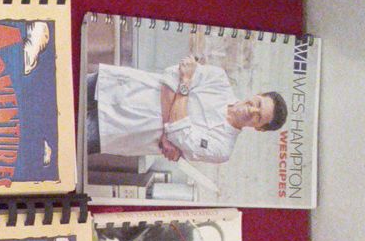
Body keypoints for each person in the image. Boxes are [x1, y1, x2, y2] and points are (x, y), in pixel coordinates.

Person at [85, 58, 287, 163]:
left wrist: (185, 83)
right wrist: (169, 133)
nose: (252, 110)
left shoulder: (222, 148)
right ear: (258, 94)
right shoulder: (218, 79)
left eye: (258, 117)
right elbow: (171, 74)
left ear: (259, 128)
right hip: (114, 86)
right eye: (258, 103)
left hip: (116, 131)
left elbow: (180, 135)